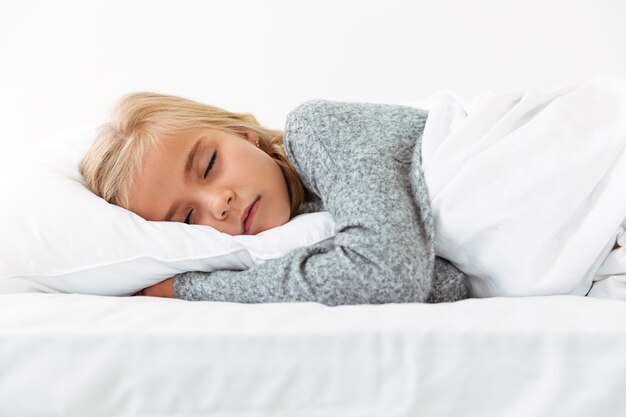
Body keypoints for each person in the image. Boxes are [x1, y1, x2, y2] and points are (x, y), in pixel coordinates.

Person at [79, 92, 469, 304]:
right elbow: (449, 284)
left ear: (243, 134)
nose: (219, 203)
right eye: (186, 219)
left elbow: (389, 276)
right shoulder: (308, 225)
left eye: (210, 163)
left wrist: (190, 288)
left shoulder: (316, 129)